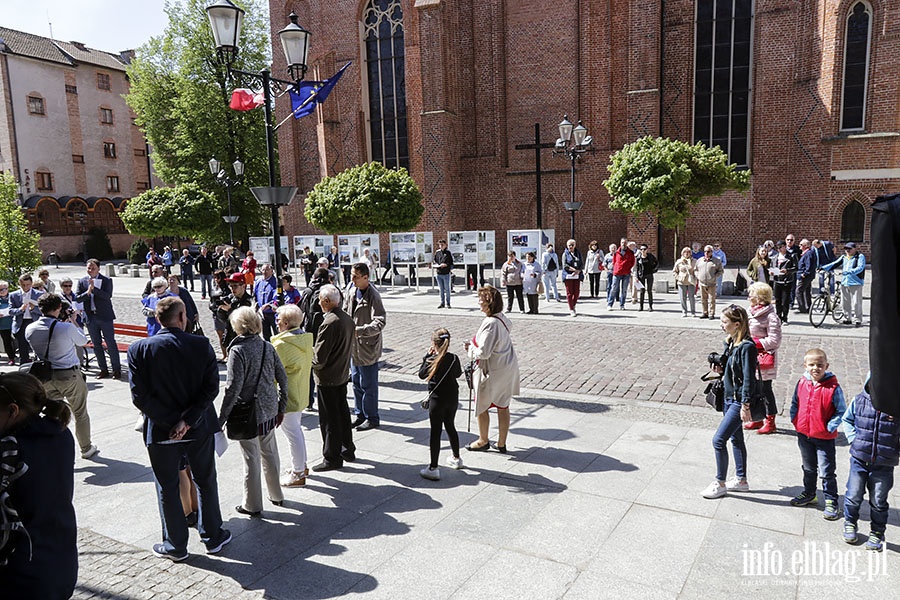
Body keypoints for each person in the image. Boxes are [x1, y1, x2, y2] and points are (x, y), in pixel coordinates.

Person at [128, 297, 231, 561]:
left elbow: (140, 397)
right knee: (205, 481)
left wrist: (171, 423)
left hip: (162, 432)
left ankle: (175, 545)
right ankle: (212, 536)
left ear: (157, 319)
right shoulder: (200, 344)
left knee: (168, 487)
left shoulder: (139, 349)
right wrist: (186, 421)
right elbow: (211, 389)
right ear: (183, 316)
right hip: (197, 428)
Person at [0, 372, 78, 599]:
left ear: (13, 411)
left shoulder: (9, 448)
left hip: (21, 573)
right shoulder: (61, 434)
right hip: (61, 561)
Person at [218, 307, 288, 516]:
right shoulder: (267, 346)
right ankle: (276, 494)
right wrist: (281, 405)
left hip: (246, 412)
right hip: (268, 408)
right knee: (270, 452)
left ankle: (252, 504)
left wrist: (221, 417)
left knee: (251, 457)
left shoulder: (237, 351)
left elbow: (233, 387)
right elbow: (283, 378)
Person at [24, 292, 96, 459]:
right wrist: (71, 319)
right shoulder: (66, 328)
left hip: (45, 376)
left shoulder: (30, 328)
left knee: (51, 413)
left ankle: (52, 446)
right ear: (58, 308)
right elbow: (82, 341)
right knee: (80, 412)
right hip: (68, 374)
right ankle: (86, 447)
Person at [702, 304, 756, 499]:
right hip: (727, 396)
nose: (721, 325)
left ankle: (720, 482)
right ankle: (741, 480)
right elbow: (734, 372)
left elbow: (749, 378)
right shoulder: (731, 342)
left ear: (737, 324)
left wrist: (745, 404)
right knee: (736, 438)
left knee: (718, 440)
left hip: (737, 400)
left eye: (724, 321)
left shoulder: (747, 347)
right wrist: (721, 370)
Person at [840, 374, 900, 552]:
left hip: (884, 464)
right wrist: (854, 439)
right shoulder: (859, 401)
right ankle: (850, 523)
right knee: (853, 494)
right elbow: (847, 419)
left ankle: (877, 532)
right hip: (859, 460)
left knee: (879, 500)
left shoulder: (896, 407)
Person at [788, 348, 846, 520]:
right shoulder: (802, 382)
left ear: (826, 366)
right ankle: (810, 493)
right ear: (805, 365)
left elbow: (841, 410)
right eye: (812, 365)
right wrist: (795, 419)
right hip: (804, 434)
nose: (816, 368)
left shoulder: (833, 387)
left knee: (827, 471)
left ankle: (831, 500)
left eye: (820, 365)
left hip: (824, 437)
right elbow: (795, 402)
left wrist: (830, 426)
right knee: (808, 467)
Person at [464, 285, 520, 453]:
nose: (479, 302)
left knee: (482, 405)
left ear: (489, 303)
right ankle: (501, 443)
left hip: (492, 371)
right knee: (503, 405)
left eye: (481, 299)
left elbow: (483, 352)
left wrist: (470, 349)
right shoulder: (502, 318)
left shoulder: (490, 323)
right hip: (506, 368)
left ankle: (483, 440)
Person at [311, 284, 356, 471]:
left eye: (320, 300)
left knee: (329, 419)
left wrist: (308, 359)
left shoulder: (330, 322)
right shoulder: (346, 318)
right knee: (342, 414)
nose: (319, 303)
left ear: (327, 301)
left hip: (328, 377)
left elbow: (319, 359)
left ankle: (332, 457)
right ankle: (347, 448)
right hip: (340, 375)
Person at [271, 304, 313, 487]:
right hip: (301, 392)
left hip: (287, 396)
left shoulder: (282, 345)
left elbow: (273, 373)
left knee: (292, 434)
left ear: (286, 323)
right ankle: (301, 466)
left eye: (278, 319)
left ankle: (298, 473)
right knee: (296, 431)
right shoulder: (303, 339)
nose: (276, 322)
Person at [344, 263, 387, 431]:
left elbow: (380, 321)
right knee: (356, 382)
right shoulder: (351, 291)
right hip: (353, 348)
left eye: (355, 276)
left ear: (365, 277)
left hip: (367, 347)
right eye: (352, 276)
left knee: (368, 385)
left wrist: (360, 330)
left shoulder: (373, 295)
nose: (352, 279)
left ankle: (372, 417)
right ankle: (360, 414)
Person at [418, 328, 463, 481]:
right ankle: (456, 458)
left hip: (437, 400)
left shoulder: (431, 359)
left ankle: (433, 467)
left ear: (434, 343)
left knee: (435, 432)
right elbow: (457, 374)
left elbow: (421, 374)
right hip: (452, 397)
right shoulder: (454, 358)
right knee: (450, 425)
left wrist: (426, 356)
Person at [744, 283, 782, 435]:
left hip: (763, 358)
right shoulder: (750, 311)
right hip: (751, 356)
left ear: (760, 297)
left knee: (765, 389)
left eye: (751, 294)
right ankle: (757, 417)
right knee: (753, 388)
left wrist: (755, 343)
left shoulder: (771, 316)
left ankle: (770, 421)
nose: (749, 297)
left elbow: (775, 340)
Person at [76, 259, 122, 379]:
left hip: (104, 316)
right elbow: (78, 298)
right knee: (96, 344)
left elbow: (108, 296)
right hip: (91, 317)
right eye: (88, 268)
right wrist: (88, 292)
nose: (90, 270)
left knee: (110, 343)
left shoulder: (106, 280)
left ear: (98, 269)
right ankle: (103, 369)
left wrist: (95, 290)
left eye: (93, 268)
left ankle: (116, 369)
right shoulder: (82, 281)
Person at [821, 242, 866, 327]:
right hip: (845, 282)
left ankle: (858, 320)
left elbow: (860, 268)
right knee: (845, 302)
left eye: (849, 249)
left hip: (856, 282)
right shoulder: (844, 257)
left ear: (854, 249)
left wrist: (849, 272)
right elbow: (834, 264)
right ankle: (847, 318)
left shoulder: (860, 257)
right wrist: (823, 268)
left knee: (856, 302)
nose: (847, 250)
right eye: (846, 249)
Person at [8, 274, 43, 365]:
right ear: (19, 284)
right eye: (23, 285)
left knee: (37, 344)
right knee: (22, 345)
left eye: (28, 285)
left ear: (31, 284)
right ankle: (24, 364)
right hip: (21, 322)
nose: (25, 287)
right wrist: (20, 309)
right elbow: (10, 311)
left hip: (34, 321)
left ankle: (39, 363)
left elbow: (44, 310)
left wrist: (34, 308)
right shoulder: (13, 295)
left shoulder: (39, 294)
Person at [217, 272, 255, 348]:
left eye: (235, 286)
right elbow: (223, 319)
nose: (232, 289)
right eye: (230, 286)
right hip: (230, 336)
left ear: (243, 286)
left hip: (245, 339)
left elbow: (244, 322)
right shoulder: (230, 298)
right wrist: (220, 309)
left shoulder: (250, 301)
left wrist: (230, 310)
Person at [770, 240, 797, 324]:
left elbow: (796, 268)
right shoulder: (775, 257)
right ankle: (778, 317)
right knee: (777, 300)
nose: (779, 249)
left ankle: (785, 318)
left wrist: (787, 271)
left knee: (785, 301)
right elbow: (772, 266)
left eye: (781, 247)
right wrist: (771, 272)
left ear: (785, 246)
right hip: (777, 280)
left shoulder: (792, 256)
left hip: (787, 281)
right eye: (777, 248)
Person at [695, 245, 724, 319]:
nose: (706, 253)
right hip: (702, 283)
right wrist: (698, 276)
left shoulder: (716, 261)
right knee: (703, 299)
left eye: (708, 251)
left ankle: (711, 313)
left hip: (712, 283)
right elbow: (695, 269)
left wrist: (714, 276)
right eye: (705, 251)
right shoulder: (700, 260)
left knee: (712, 300)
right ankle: (705, 312)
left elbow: (721, 271)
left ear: (712, 252)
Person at [209, 270, 230, 361]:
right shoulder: (214, 288)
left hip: (224, 315)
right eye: (215, 277)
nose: (216, 280)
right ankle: (224, 354)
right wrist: (212, 306)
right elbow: (211, 300)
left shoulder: (226, 289)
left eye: (218, 277)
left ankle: (229, 354)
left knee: (227, 335)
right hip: (215, 314)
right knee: (220, 335)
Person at [254, 264, 278, 341]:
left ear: (272, 271)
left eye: (267, 270)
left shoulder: (275, 282)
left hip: (273, 313)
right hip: (262, 313)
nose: (265, 272)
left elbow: (277, 296)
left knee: (276, 334)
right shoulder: (259, 281)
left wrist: (270, 304)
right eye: (263, 270)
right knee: (266, 335)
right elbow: (255, 294)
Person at [608, 238, 634, 310]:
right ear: (620, 243)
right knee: (613, 288)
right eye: (622, 242)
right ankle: (610, 304)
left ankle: (622, 305)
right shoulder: (616, 252)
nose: (623, 244)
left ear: (627, 244)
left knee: (624, 290)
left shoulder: (630, 253)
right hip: (617, 273)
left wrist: (628, 268)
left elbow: (632, 262)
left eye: (625, 243)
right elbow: (614, 261)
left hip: (626, 273)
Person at [672, 247, 697, 317]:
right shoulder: (679, 261)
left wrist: (696, 278)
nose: (686, 253)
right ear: (682, 253)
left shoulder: (694, 261)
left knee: (691, 297)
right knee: (683, 297)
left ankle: (693, 312)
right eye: (685, 252)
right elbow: (674, 271)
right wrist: (678, 278)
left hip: (691, 282)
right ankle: (684, 311)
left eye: (688, 252)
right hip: (682, 282)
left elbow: (697, 270)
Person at [795, 239, 816, 314]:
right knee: (806, 291)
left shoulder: (808, 253)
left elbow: (809, 265)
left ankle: (802, 308)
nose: (799, 246)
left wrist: (804, 274)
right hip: (806, 276)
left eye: (801, 245)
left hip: (805, 276)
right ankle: (808, 307)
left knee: (798, 291)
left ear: (805, 246)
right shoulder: (806, 253)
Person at [635, 244, 658, 312]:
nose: (643, 250)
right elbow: (637, 268)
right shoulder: (638, 258)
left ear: (647, 250)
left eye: (644, 249)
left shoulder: (650, 256)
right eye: (641, 249)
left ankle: (650, 306)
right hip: (641, 275)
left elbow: (656, 263)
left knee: (649, 291)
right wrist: (636, 277)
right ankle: (641, 306)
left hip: (649, 275)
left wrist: (654, 270)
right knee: (642, 291)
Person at [433, 239, 454, 309]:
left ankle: (448, 303)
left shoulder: (448, 253)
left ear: (445, 245)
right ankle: (442, 303)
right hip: (439, 273)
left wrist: (446, 265)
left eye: (442, 245)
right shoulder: (437, 252)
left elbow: (451, 263)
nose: (441, 246)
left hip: (446, 273)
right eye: (440, 245)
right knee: (441, 289)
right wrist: (435, 265)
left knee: (447, 289)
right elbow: (435, 261)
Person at [0, 280, 16, 365]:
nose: (2, 291)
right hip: (3, 325)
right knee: (6, 341)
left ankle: (14, 356)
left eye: (4, 289)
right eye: (0, 290)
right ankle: (11, 357)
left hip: (13, 323)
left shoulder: (12, 297)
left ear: (7, 289)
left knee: (12, 341)